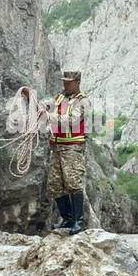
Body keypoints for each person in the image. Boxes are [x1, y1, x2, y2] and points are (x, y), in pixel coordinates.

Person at [45, 70, 88, 233]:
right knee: (55, 184)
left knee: (73, 183)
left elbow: (73, 120)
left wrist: (50, 116)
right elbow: (46, 105)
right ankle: (68, 219)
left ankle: (79, 221)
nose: (65, 85)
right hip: (57, 147)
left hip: (73, 147)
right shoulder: (59, 98)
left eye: (68, 82)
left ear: (77, 82)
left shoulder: (83, 101)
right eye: (64, 82)